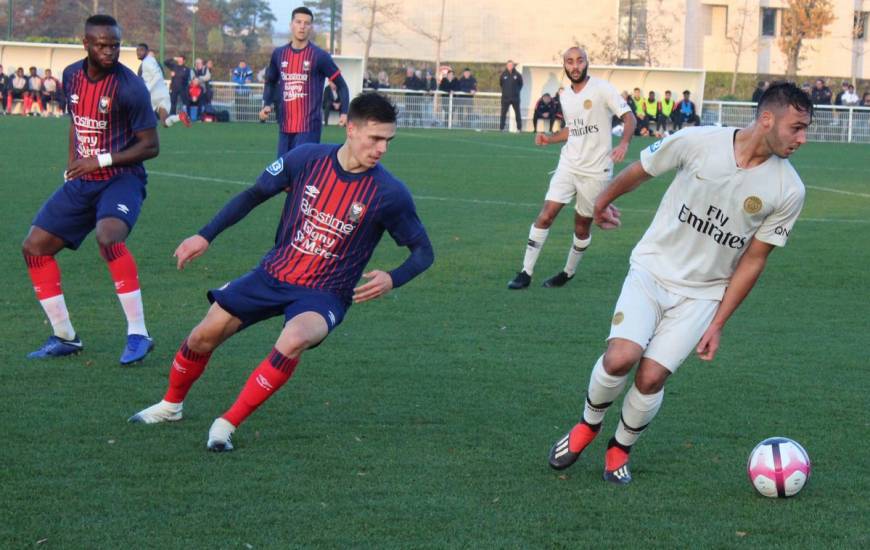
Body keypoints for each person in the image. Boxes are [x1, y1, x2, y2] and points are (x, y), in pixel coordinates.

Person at [128, 92, 435, 452]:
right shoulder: (305, 158)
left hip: (325, 292)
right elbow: (253, 195)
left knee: (294, 338)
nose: (382, 148)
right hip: (273, 273)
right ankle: (170, 406)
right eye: (375, 138)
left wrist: (392, 278)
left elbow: (424, 251)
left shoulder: (389, 193)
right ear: (349, 128)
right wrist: (204, 235)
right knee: (202, 336)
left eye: (388, 140)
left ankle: (225, 425)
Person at [547, 81, 811, 485]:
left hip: (703, 294)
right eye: (796, 127)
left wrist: (718, 322)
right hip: (652, 269)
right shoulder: (698, 140)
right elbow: (642, 170)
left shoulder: (789, 189)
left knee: (651, 377)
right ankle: (587, 425)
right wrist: (601, 201)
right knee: (620, 358)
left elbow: (754, 260)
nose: (802, 139)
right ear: (767, 119)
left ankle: (620, 447)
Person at [22, 15, 159, 363]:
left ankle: (139, 334)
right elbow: (75, 121)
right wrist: (73, 164)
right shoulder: (71, 75)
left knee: (108, 236)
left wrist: (98, 161)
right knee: (35, 247)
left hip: (122, 178)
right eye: (101, 44)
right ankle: (65, 336)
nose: (110, 51)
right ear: (85, 44)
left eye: (114, 44)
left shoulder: (130, 87)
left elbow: (150, 145)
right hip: (84, 179)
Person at [507, 47, 635, 290]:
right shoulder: (564, 95)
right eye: (570, 62)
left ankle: (567, 272)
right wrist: (550, 138)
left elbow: (629, 118)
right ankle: (525, 272)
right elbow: (572, 129)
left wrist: (625, 142)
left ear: (587, 62)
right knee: (546, 215)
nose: (575, 66)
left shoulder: (602, 89)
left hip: (596, 170)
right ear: (564, 65)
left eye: (579, 61)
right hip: (568, 164)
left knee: (581, 225)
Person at [260, 7, 350, 156]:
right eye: (298, 22)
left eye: (307, 23)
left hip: (309, 128)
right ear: (291, 25)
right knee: (282, 174)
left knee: (303, 173)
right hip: (285, 126)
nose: (302, 26)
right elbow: (270, 81)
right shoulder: (279, 54)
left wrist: (344, 112)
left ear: (311, 27)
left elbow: (341, 84)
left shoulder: (319, 56)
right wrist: (266, 104)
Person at [136, 44, 189, 128]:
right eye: (137, 50)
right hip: (163, 94)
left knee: (139, 116)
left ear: (147, 52)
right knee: (165, 122)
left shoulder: (147, 62)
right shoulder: (152, 61)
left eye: (141, 50)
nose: (138, 52)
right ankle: (179, 116)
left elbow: (157, 75)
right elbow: (160, 74)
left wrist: (147, 88)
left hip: (153, 96)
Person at [499, 59, 523, 131]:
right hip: (505, 98)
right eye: (508, 65)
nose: (510, 66)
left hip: (515, 98)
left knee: (517, 113)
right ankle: (502, 128)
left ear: (513, 66)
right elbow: (501, 84)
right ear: (507, 66)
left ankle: (519, 128)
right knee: (503, 113)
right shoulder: (503, 74)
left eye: (511, 65)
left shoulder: (517, 75)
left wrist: (516, 91)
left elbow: (520, 84)